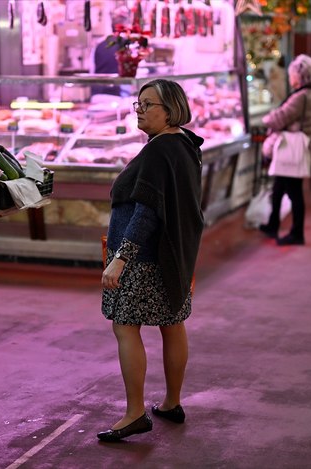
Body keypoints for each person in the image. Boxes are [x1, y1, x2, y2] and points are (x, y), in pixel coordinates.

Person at [97, 79, 204, 442]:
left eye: (147, 105)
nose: (139, 111)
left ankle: (134, 413)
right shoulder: (185, 145)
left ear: (170, 110)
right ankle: (172, 402)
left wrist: (120, 259)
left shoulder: (160, 151)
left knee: (125, 327)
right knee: (171, 323)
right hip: (174, 255)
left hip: (143, 257)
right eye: (138, 104)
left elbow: (146, 212)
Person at [259, 54, 311, 246]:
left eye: (292, 74)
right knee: (278, 188)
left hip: (292, 151)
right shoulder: (309, 94)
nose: (290, 77)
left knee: (293, 192)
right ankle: (273, 224)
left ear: (301, 76)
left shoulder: (300, 96)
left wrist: (266, 119)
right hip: (298, 150)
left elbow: (281, 117)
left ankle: (297, 233)